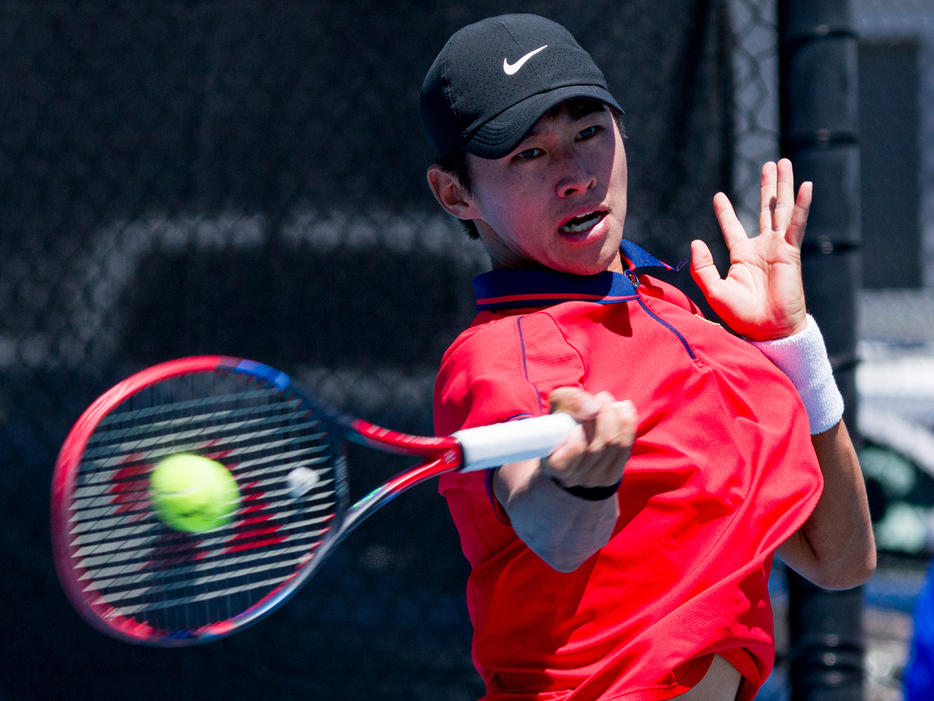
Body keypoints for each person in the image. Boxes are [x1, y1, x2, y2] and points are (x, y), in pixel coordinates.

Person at [420, 14, 876, 701]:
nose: (575, 174)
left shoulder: (671, 302)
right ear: (455, 193)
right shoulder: (496, 356)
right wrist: (580, 483)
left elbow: (840, 558)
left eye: (588, 132)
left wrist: (792, 344)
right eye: (527, 154)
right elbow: (552, 525)